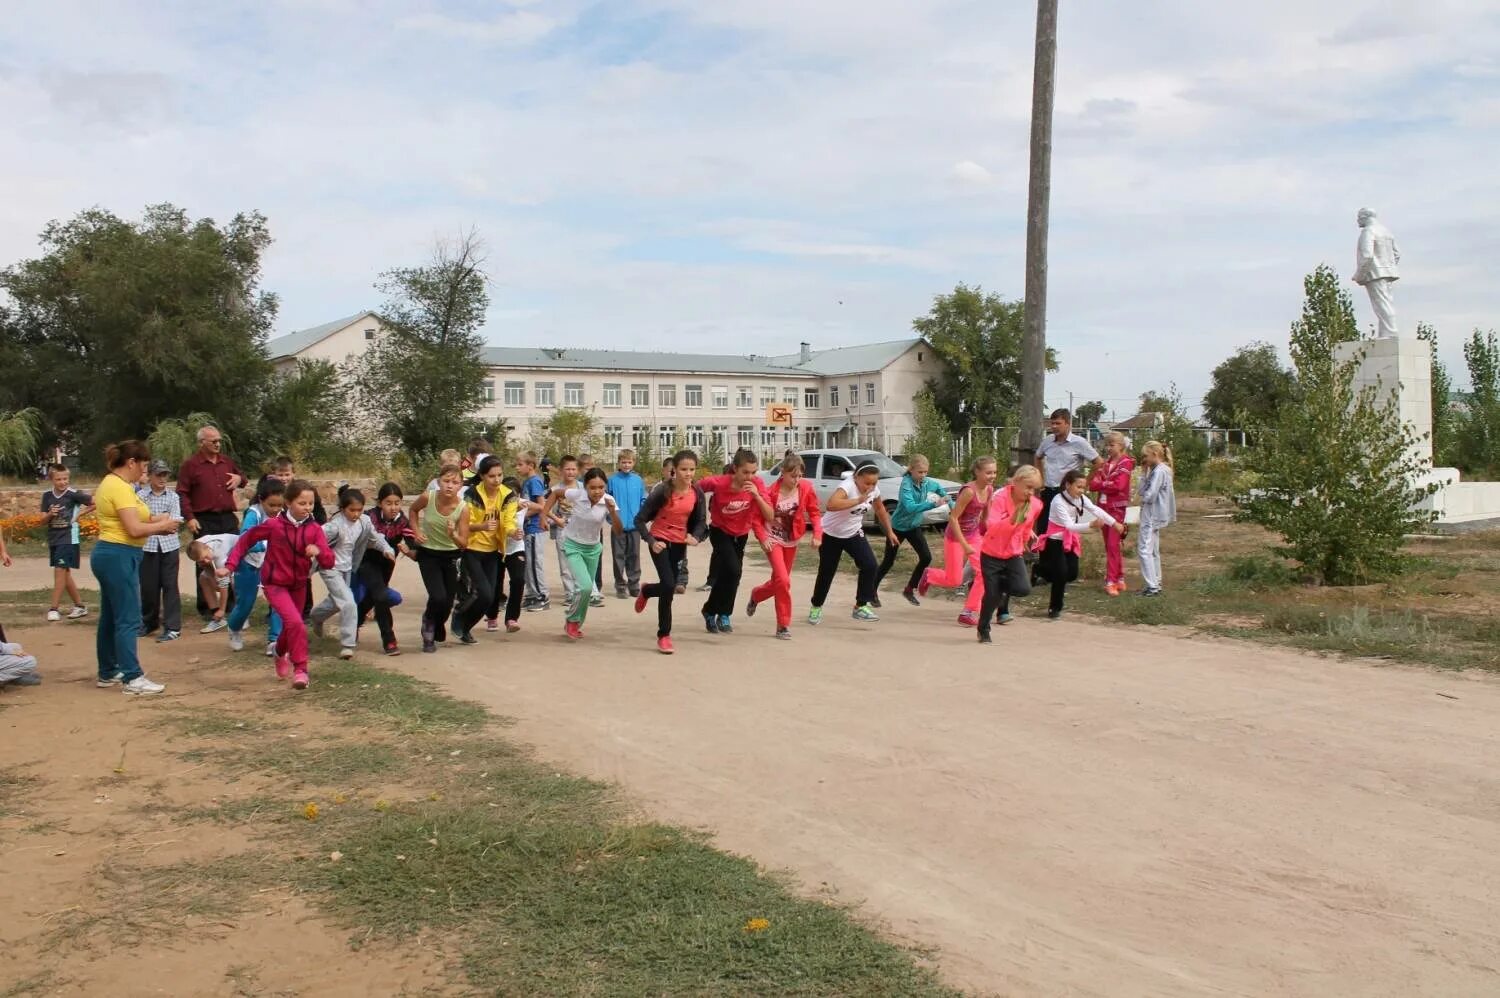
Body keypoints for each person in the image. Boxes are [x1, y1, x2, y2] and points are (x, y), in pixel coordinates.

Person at [222, 479, 335, 689]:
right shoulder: (274, 525)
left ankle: (278, 651)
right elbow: (246, 540)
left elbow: (329, 561)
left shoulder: (314, 530)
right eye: (302, 503)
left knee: (290, 627)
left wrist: (319, 552)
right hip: (275, 584)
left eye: (310, 503)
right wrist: (230, 565)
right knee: (297, 624)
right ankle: (301, 669)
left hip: (299, 584)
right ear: (288, 502)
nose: (307, 508)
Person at [91, 440, 180, 695]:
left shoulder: (119, 485)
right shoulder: (118, 487)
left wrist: (156, 518)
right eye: (142, 465)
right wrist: (161, 527)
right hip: (118, 554)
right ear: (131, 463)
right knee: (128, 617)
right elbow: (133, 528)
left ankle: (108, 671)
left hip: (116, 554)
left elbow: (136, 518)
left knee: (111, 616)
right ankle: (133, 677)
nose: (144, 471)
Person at [310, 487, 396, 659]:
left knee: (336, 602)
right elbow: (314, 536)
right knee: (349, 602)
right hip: (330, 567)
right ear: (343, 509)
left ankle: (316, 616)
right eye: (352, 510)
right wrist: (313, 549)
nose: (356, 514)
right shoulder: (335, 526)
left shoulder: (364, 522)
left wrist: (387, 549)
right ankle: (348, 645)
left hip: (348, 568)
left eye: (359, 510)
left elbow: (375, 537)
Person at [636, 450, 707, 654]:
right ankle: (664, 635)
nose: (688, 473)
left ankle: (647, 590)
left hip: (679, 544)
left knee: (670, 586)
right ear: (674, 470)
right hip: (659, 540)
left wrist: (696, 536)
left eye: (692, 469)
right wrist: (650, 540)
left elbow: (701, 521)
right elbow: (639, 520)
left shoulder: (697, 493)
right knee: (668, 586)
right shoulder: (662, 491)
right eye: (683, 469)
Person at [541, 467, 624, 640]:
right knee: (585, 586)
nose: (597, 491)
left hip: (593, 549)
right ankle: (572, 620)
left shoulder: (609, 501)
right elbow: (555, 494)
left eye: (601, 487)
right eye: (593, 488)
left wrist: (612, 512)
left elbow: (618, 530)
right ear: (585, 487)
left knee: (585, 592)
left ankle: (576, 623)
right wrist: (543, 515)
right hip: (573, 546)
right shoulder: (577, 495)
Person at [808, 464, 897, 624]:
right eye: (866, 483)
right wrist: (857, 500)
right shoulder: (847, 486)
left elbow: (880, 509)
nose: (870, 487)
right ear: (856, 477)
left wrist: (889, 531)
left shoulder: (873, 491)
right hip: (830, 534)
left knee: (870, 566)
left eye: (874, 483)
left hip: (853, 533)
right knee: (827, 572)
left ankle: (860, 606)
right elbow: (831, 505)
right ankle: (816, 606)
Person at [746, 452, 822, 639]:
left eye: (800, 476)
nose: (796, 480)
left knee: (780, 582)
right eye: (792, 475)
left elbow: (814, 512)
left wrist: (818, 535)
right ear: (782, 472)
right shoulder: (771, 492)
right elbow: (756, 519)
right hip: (774, 540)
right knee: (784, 581)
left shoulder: (806, 488)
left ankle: (756, 595)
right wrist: (763, 538)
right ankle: (783, 625)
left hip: (792, 541)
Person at [697, 450, 772, 633]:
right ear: (734, 469)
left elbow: (769, 515)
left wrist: (757, 496)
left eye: (754, 472)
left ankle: (719, 613)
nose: (750, 477)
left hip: (741, 534)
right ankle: (712, 610)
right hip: (720, 531)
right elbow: (694, 488)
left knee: (732, 576)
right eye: (745, 472)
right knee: (733, 569)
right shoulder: (719, 482)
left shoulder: (757, 485)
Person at [175, 425, 246, 618]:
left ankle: (230, 604)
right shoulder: (191, 465)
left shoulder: (226, 462)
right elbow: (182, 492)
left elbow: (244, 479)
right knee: (204, 562)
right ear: (201, 443)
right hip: (204, 519)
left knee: (231, 559)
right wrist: (189, 517)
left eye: (219, 440)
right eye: (213, 440)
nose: (217, 444)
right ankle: (208, 606)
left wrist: (239, 479)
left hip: (226, 518)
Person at [919, 456, 997, 626]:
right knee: (955, 580)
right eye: (988, 472)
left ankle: (968, 611)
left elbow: (985, 516)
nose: (992, 476)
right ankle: (929, 575)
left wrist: (989, 534)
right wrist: (964, 544)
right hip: (955, 537)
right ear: (977, 472)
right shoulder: (969, 491)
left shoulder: (989, 489)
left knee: (984, 574)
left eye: (994, 472)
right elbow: (953, 518)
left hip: (974, 535)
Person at [1034, 469, 1123, 619]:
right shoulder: (1058, 501)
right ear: (1068, 485)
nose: (1082, 490)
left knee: (1072, 574)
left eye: (1083, 487)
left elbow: (1096, 510)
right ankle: (1054, 608)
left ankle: (1040, 570)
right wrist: (1091, 525)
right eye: (1078, 487)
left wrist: (1115, 524)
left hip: (1070, 540)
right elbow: (1069, 526)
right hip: (1055, 540)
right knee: (1060, 574)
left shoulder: (1081, 499)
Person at [975, 466, 1045, 643]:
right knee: (992, 596)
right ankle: (983, 629)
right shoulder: (999, 498)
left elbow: (1028, 526)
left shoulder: (1036, 504)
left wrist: (1023, 541)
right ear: (1016, 482)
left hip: (1013, 553)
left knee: (1023, 589)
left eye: (1034, 489)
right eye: (1028, 487)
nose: (1031, 492)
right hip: (991, 553)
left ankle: (997, 588)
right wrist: (1012, 519)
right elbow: (992, 526)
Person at [453, 457, 514, 644]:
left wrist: (513, 531)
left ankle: (466, 627)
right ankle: (459, 614)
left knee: (489, 598)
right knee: (483, 593)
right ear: (481, 476)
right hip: (472, 549)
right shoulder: (471, 495)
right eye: (491, 476)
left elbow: (509, 520)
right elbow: (462, 525)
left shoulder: (508, 494)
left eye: (499, 475)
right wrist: (481, 526)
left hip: (494, 552)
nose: (496, 480)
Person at [875, 454, 949, 607]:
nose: (923, 475)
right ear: (911, 470)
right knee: (888, 562)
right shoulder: (906, 485)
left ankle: (909, 589)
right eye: (920, 472)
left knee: (926, 557)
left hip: (913, 526)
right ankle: (870, 591)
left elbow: (944, 493)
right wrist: (933, 505)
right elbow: (910, 507)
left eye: (925, 472)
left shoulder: (928, 482)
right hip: (898, 528)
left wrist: (954, 508)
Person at [412, 465, 470, 653]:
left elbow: (463, 543)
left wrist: (452, 534)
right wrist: (417, 531)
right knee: (437, 596)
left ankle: (437, 623)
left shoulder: (462, 508)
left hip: (451, 556)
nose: (449, 486)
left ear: (461, 485)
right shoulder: (428, 497)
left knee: (447, 602)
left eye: (455, 482)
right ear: (439, 482)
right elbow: (413, 511)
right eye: (446, 481)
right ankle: (428, 624)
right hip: (428, 554)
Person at [226, 479, 286, 656]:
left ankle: (274, 641)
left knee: (278, 602)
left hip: (272, 565)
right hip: (249, 564)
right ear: (261, 500)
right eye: (271, 505)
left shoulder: (283, 514)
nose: (275, 509)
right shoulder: (253, 514)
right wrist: (265, 544)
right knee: (245, 604)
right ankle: (233, 628)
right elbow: (246, 537)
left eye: (279, 505)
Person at [362, 482, 416, 655]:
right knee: (381, 596)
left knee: (375, 597)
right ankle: (389, 640)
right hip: (366, 562)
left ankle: (354, 621)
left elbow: (413, 544)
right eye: (388, 503)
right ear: (380, 503)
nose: (393, 507)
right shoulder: (368, 517)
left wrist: (411, 550)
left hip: (387, 565)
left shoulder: (402, 521)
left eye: (397, 503)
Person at [39, 462, 93, 622]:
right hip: (54, 538)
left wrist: (79, 515)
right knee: (65, 573)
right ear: (52, 480)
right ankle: (80, 606)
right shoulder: (47, 496)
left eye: (65, 479)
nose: (62, 482)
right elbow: (41, 520)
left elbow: (95, 503)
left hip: (69, 538)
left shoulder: (73, 494)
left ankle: (53, 608)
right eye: (59, 479)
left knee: (59, 570)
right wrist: (49, 514)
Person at [136, 460, 183, 642]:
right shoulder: (140, 496)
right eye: (159, 475)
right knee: (148, 587)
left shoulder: (173, 497)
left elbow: (175, 522)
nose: (163, 478)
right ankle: (149, 622)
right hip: (147, 546)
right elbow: (137, 520)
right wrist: (160, 519)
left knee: (170, 586)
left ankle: (172, 627)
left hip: (169, 546)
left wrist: (153, 520)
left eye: (165, 475)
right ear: (150, 476)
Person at [1034, 409, 1102, 523]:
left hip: (1067, 491)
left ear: (1067, 424)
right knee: (1044, 526)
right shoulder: (1047, 441)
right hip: (1048, 490)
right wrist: (1040, 479)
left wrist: (1085, 483)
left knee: (1065, 527)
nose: (1054, 426)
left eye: (1058, 423)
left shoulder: (1079, 442)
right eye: (1052, 423)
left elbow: (1099, 462)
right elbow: (1037, 456)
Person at [1089, 431, 1134, 596]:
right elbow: (1093, 484)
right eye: (1107, 445)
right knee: (1109, 544)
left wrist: (1102, 483)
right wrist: (1104, 483)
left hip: (1116, 508)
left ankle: (1111, 580)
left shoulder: (1126, 463)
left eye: (1111, 445)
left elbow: (1119, 485)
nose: (1108, 448)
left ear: (1121, 446)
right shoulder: (1106, 464)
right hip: (1103, 507)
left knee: (1113, 543)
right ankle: (1119, 578)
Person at [1137, 440, 1177, 597]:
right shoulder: (1159, 470)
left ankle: (1152, 586)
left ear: (1154, 454)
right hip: (1156, 514)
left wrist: (1144, 497)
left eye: (1146, 456)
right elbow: (1142, 489)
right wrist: (1143, 472)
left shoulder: (1160, 471)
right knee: (1153, 550)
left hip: (1152, 514)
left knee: (1144, 549)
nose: (1144, 459)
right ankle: (1156, 582)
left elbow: (1149, 494)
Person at [546, 456, 584, 610]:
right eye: (567, 469)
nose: (570, 472)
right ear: (561, 471)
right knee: (565, 564)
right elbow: (547, 509)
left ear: (578, 471)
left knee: (580, 562)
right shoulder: (556, 490)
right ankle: (570, 593)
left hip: (581, 530)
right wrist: (556, 520)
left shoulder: (583, 488)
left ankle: (582, 591)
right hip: (563, 529)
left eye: (573, 469)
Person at [607, 449, 646, 599]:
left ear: (633, 463)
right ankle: (620, 586)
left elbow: (643, 499)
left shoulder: (638, 480)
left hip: (635, 526)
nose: (626, 465)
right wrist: (612, 519)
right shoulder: (612, 480)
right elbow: (607, 500)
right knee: (618, 556)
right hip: (618, 526)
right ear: (619, 463)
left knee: (634, 555)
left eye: (629, 462)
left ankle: (634, 585)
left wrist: (641, 517)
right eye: (623, 462)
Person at [516, 452, 551, 612]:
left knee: (535, 563)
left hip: (535, 528)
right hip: (528, 529)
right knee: (528, 563)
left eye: (520, 464)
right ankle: (532, 595)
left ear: (530, 465)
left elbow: (541, 506)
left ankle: (542, 596)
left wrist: (522, 516)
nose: (517, 468)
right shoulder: (527, 482)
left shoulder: (535, 481)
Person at [186, 532, 239, 633]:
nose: (205, 560)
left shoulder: (218, 553)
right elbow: (207, 567)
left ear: (207, 548)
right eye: (201, 560)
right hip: (227, 555)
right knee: (203, 578)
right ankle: (218, 619)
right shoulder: (196, 548)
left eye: (205, 557)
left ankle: (241, 615)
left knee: (234, 581)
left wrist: (222, 610)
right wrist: (212, 578)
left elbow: (224, 585)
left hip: (245, 551)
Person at [497, 476, 528, 633]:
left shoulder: (524, 505)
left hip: (516, 548)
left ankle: (511, 619)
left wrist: (549, 517)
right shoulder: (495, 505)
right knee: (495, 585)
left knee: (518, 580)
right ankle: (491, 614)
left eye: (514, 495)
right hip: (495, 549)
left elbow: (542, 506)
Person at [662, 456, 689, 594]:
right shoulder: (659, 489)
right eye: (670, 471)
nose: (673, 474)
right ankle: (669, 580)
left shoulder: (685, 488)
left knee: (681, 556)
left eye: (675, 470)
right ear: (664, 472)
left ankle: (681, 581)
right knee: (666, 557)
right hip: (663, 531)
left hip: (680, 529)